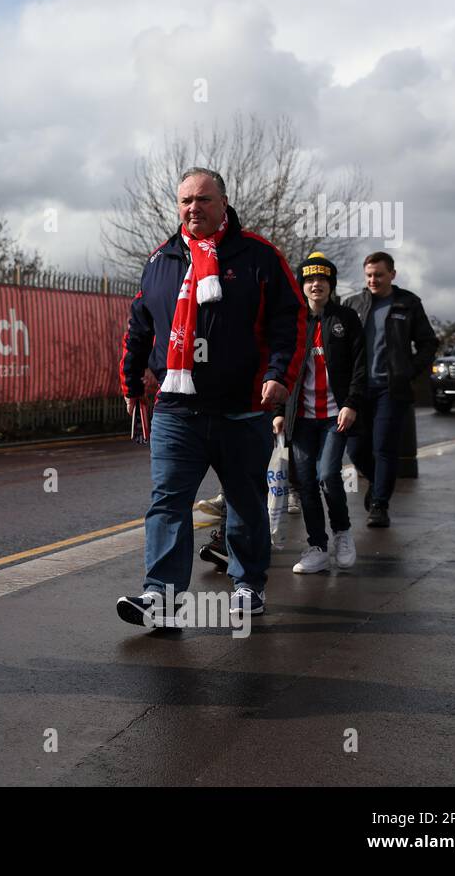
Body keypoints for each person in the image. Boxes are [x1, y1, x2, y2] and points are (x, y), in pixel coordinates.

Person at [117, 167, 305, 625]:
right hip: (176, 411)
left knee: (244, 501)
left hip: (241, 409)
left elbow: (291, 320)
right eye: (185, 201)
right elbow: (140, 326)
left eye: (203, 199)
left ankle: (247, 585)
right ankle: (161, 600)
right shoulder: (161, 259)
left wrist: (280, 374)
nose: (193, 208)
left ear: (224, 203)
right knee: (168, 503)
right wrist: (130, 380)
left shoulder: (259, 255)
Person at [274, 253, 366, 573]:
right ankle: (316, 546)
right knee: (307, 483)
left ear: (331, 284)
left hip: (334, 416)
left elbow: (360, 366)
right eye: (310, 279)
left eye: (322, 279)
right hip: (301, 418)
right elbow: (281, 367)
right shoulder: (294, 322)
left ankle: (342, 533)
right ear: (302, 284)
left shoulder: (346, 319)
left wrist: (351, 403)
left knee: (327, 475)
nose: (316, 284)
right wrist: (278, 410)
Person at [344, 251, 437, 528]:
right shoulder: (353, 305)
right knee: (356, 449)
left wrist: (408, 372)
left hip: (390, 390)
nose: (373, 280)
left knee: (383, 447)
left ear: (392, 275)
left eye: (379, 275)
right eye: (369, 275)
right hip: (357, 391)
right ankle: (377, 483)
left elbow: (428, 343)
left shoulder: (408, 303)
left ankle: (379, 505)